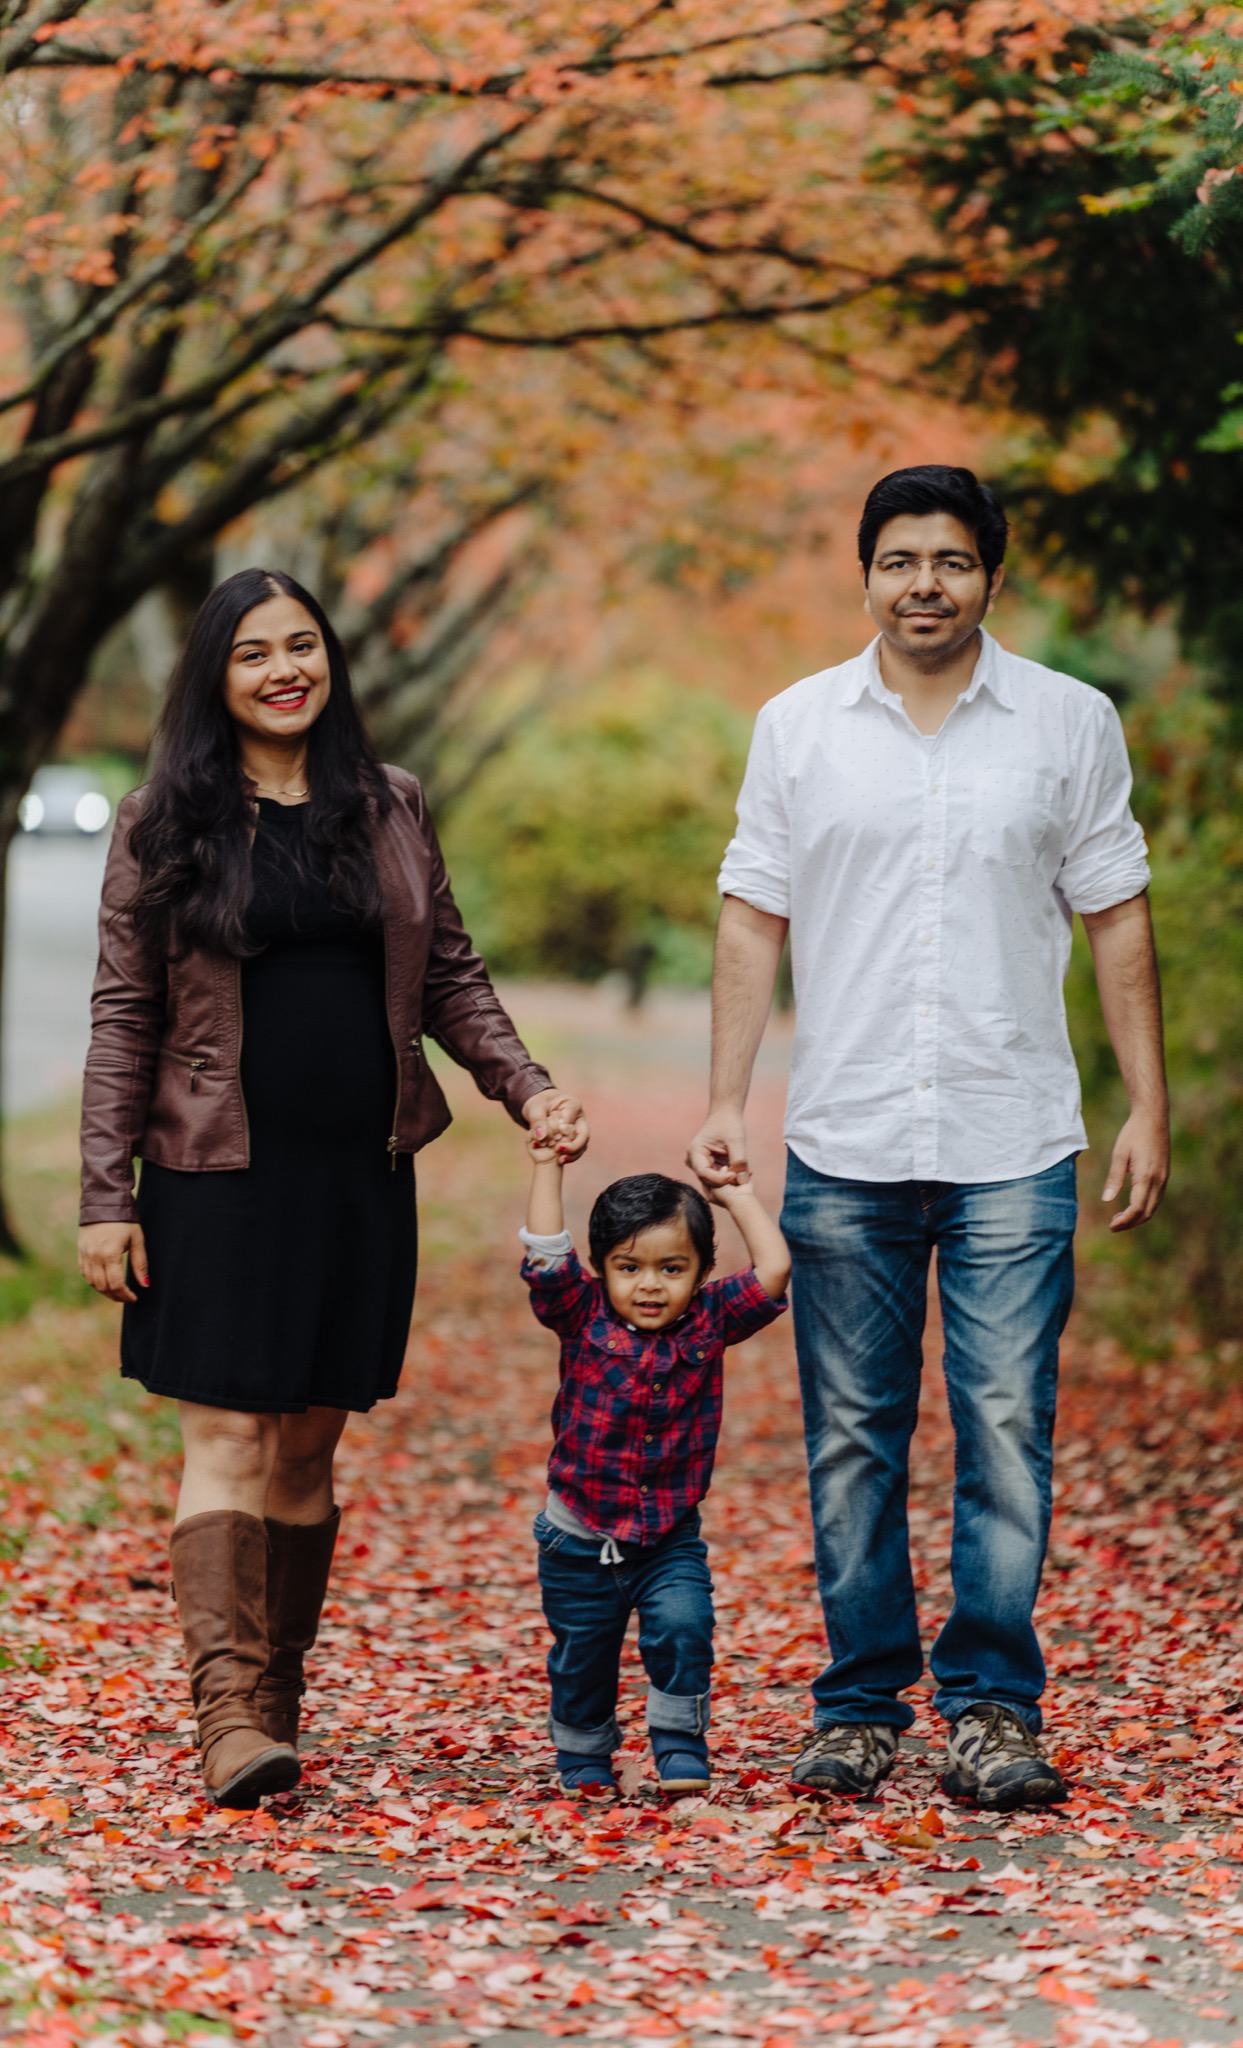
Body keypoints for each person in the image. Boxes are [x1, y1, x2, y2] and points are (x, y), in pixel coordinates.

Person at [688, 465, 1168, 1810]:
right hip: (845, 1137)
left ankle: (991, 1707)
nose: (923, 584)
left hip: (1012, 1134)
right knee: (851, 1434)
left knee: (1006, 1425)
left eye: (950, 560)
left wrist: (1147, 1101)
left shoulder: (1067, 723)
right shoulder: (796, 726)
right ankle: (857, 1705)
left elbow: (1115, 911)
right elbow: (751, 911)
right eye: (898, 559)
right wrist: (725, 1096)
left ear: (989, 578)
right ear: (865, 575)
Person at [77, 567, 588, 1810]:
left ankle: (274, 1699)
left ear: (330, 658)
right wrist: (104, 1193)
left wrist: (525, 1085)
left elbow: (451, 972)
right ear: (215, 676)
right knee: (229, 1435)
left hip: (359, 1172)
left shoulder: (388, 801)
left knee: (306, 1448)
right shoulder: (164, 818)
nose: (283, 670)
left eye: (300, 645)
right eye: (253, 652)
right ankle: (224, 1714)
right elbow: (125, 1011)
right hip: (213, 1172)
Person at [521, 1146, 789, 1795]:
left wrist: (735, 1195)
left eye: (672, 1268)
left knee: (685, 1628)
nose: (649, 1285)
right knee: (582, 1656)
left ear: (701, 1272)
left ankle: (677, 1742)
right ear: (601, 1268)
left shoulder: (710, 1319)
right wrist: (548, 1166)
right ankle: (583, 1754)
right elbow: (547, 1254)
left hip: (668, 1537)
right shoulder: (580, 1312)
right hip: (576, 1539)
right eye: (629, 1267)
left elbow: (774, 1271)